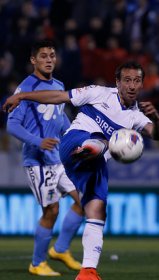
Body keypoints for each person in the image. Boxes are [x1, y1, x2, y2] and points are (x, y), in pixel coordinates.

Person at [3, 61, 159, 280]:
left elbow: (155, 134)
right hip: (73, 142)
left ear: (142, 84)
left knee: (97, 210)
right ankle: (92, 147)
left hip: (94, 164)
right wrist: (22, 96)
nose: (132, 85)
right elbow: (58, 97)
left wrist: (156, 119)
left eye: (136, 81)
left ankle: (87, 271)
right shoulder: (98, 93)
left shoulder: (136, 117)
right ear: (117, 82)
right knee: (102, 142)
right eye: (127, 80)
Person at [6, 40, 84, 276]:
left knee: (84, 201)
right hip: (38, 162)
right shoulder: (25, 89)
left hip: (59, 159)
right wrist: (38, 141)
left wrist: (74, 139)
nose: (49, 60)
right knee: (51, 211)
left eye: (52, 55)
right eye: (43, 56)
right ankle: (37, 263)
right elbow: (12, 125)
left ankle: (60, 249)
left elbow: (60, 119)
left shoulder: (59, 85)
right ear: (33, 60)